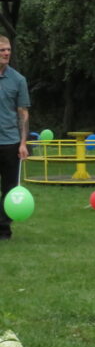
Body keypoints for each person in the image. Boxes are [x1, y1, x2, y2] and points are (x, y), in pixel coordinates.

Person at [0, 34, 30, 241]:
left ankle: (3, 229)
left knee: (9, 188)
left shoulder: (18, 80)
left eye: (8, 49)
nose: (6, 53)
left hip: (10, 143)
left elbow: (23, 113)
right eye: (2, 50)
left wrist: (23, 143)